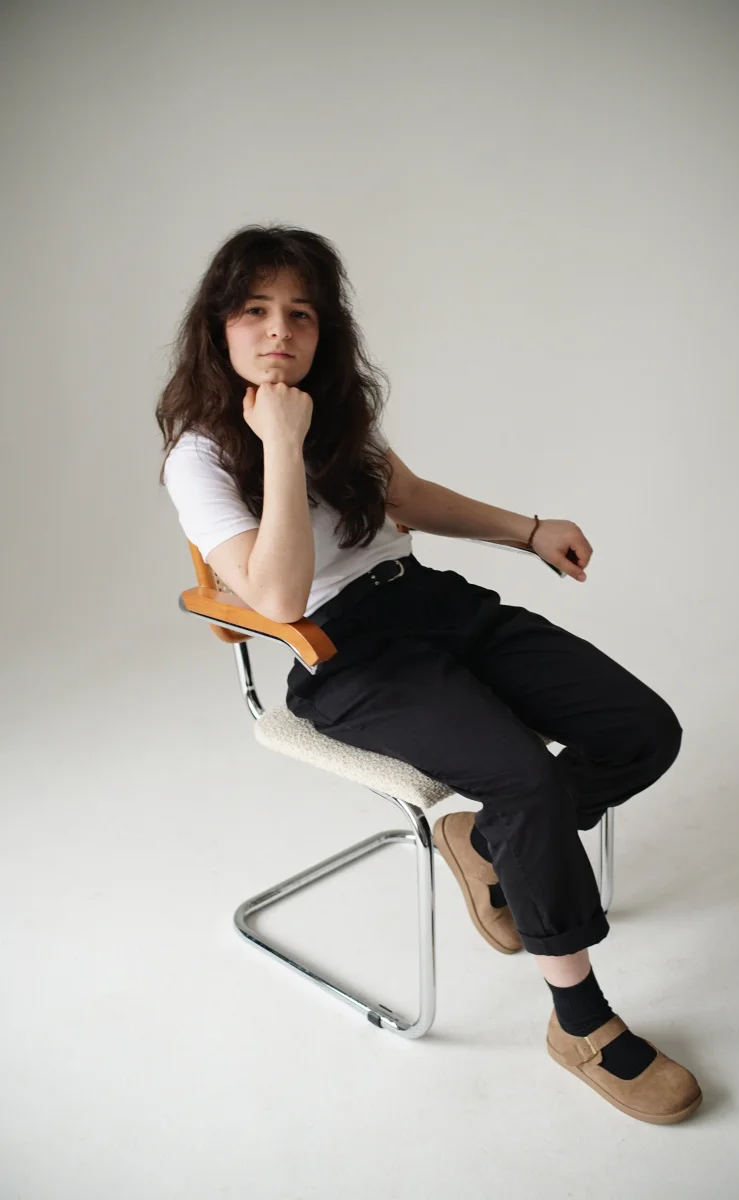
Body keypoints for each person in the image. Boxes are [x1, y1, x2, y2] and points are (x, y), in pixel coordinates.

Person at [157, 224, 702, 1125]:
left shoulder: (336, 416)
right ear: (218, 326)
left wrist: (528, 530)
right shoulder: (201, 456)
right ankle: (579, 1023)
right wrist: (279, 445)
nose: (279, 329)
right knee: (525, 779)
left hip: (432, 603)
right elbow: (279, 595)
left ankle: (487, 844)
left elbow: (406, 499)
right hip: (340, 654)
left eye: (301, 313)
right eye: (254, 310)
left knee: (641, 728)